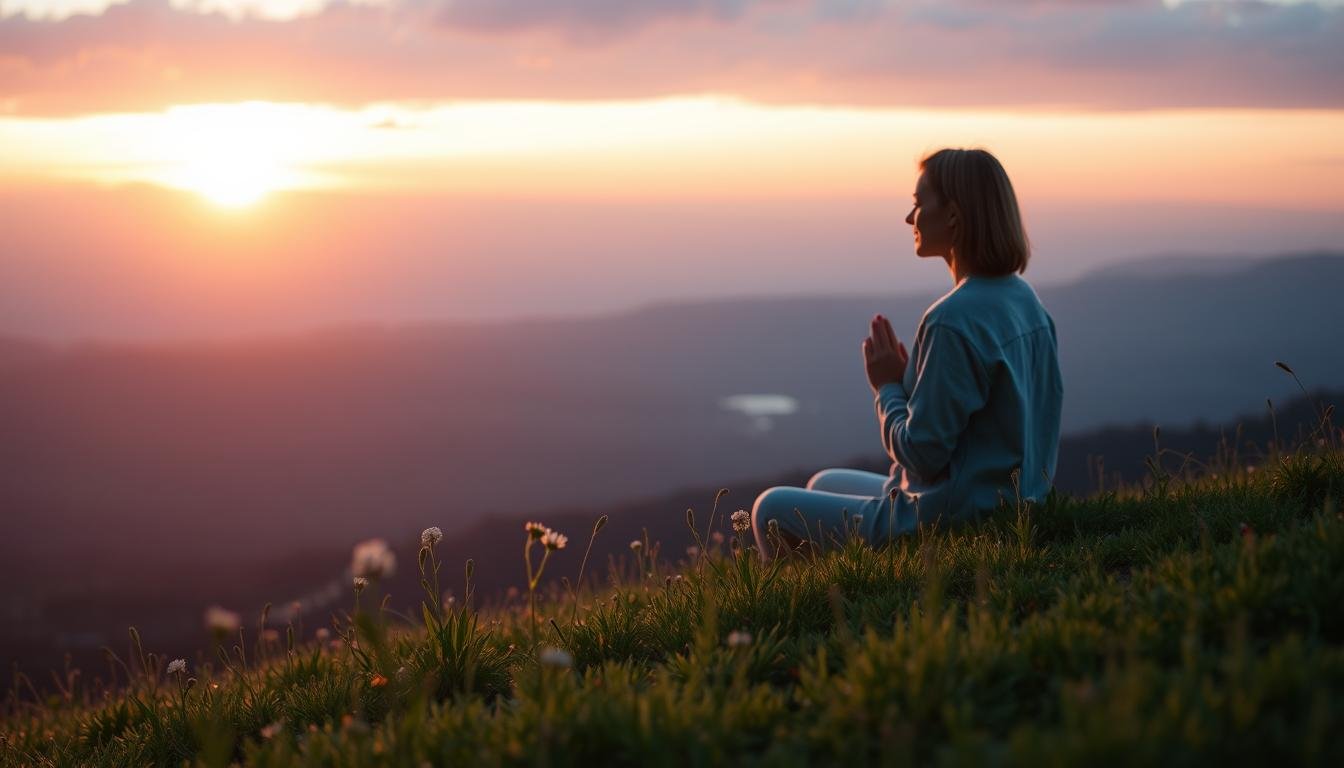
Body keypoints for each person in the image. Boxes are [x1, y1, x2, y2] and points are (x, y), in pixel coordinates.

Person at [750, 147, 1063, 559]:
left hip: (953, 519)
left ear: (952, 216)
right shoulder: (1026, 302)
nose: (909, 218)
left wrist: (888, 388)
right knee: (822, 482)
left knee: (770, 509)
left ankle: (826, 611)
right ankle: (844, 584)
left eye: (918, 204)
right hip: (1011, 504)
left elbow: (922, 454)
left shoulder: (952, 320)